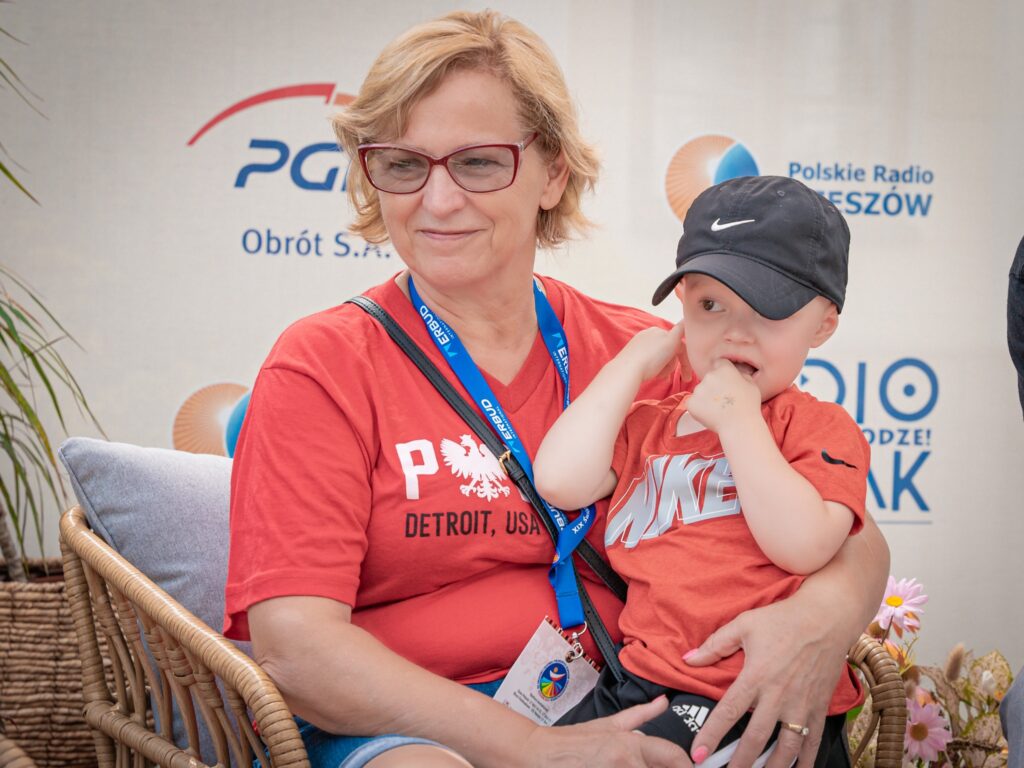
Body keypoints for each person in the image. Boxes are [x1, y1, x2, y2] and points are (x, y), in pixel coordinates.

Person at [224, 10, 890, 768]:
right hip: (408, 725)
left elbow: (847, 529)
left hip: (627, 699)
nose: (437, 200)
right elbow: (298, 649)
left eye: (478, 163)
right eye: (403, 165)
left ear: (553, 173)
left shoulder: (650, 353)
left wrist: (818, 621)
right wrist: (533, 748)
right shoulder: (324, 365)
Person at [535, 175, 868, 766]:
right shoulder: (653, 422)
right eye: (710, 306)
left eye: (769, 309)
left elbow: (804, 546)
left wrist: (740, 423)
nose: (735, 331)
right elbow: (560, 482)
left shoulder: (815, 426)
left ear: (823, 324)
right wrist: (628, 366)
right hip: (641, 679)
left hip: (751, 693)